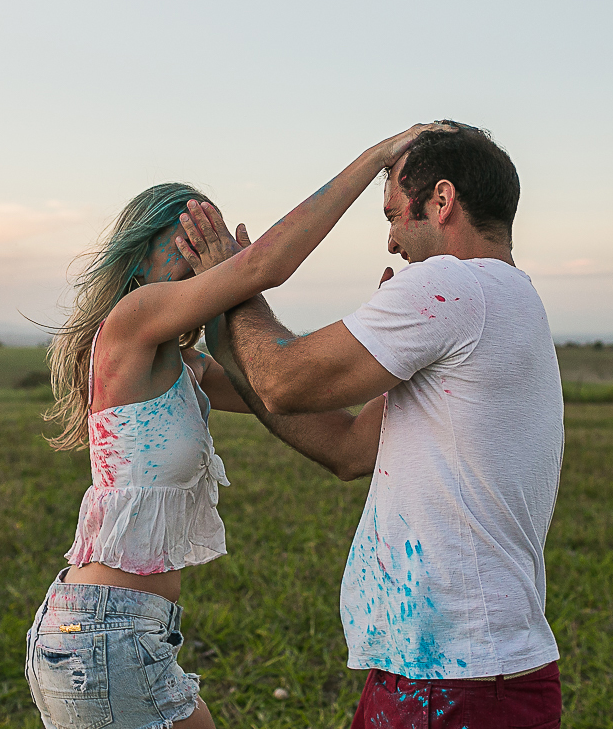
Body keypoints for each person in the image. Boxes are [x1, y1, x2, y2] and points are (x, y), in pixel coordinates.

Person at [25, 123, 442, 729]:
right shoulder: (131, 321)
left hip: (126, 634)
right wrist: (376, 157)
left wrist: (393, 348)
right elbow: (265, 268)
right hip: (102, 632)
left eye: (212, 241)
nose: (202, 257)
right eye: (188, 239)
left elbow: (294, 398)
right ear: (138, 257)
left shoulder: (185, 367)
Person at [183, 122, 565, 728]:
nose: (390, 243)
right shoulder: (509, 299)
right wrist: (210, 368)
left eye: (392, 214)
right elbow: (348, 448)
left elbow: (284, 379)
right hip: (454, 670)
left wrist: (230, 280)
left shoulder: (454, 286)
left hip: (454, 679)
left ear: (441, 202)